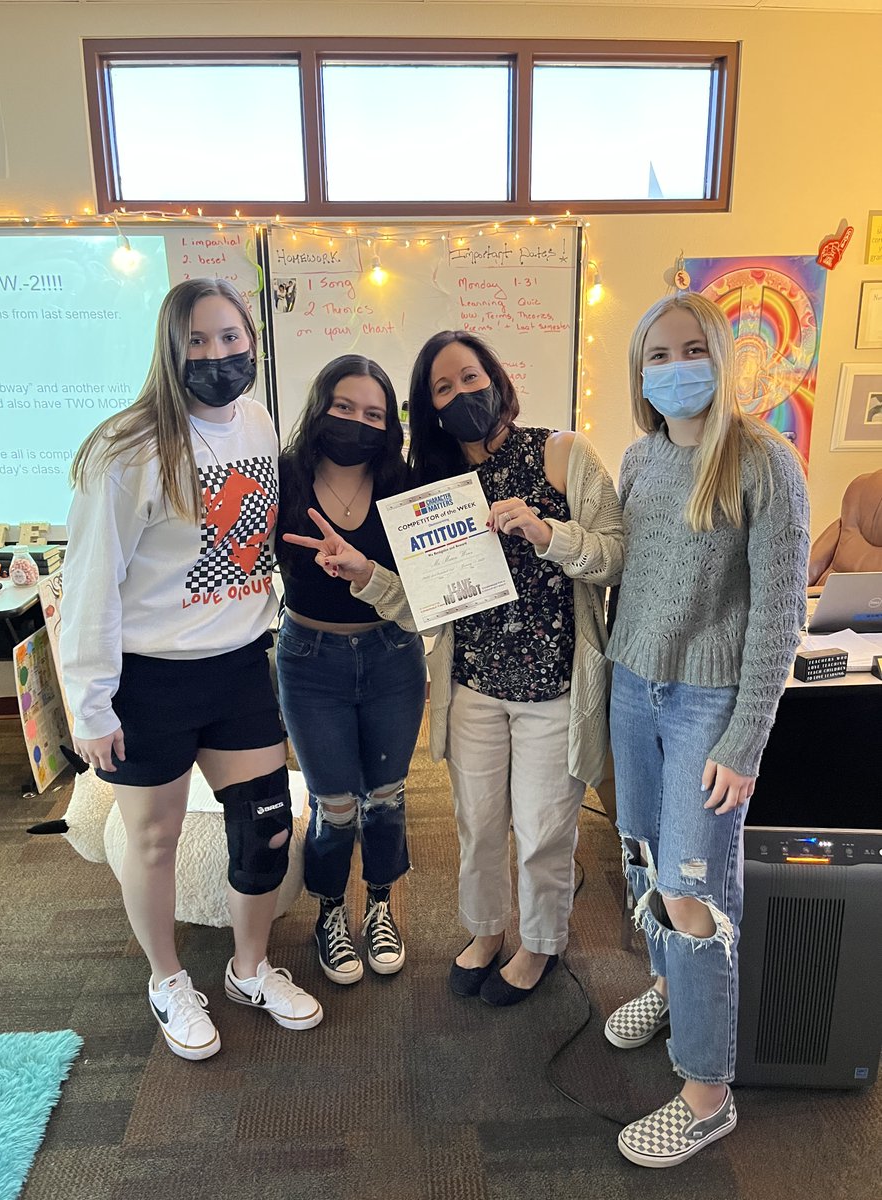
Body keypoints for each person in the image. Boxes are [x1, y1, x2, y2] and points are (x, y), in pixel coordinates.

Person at [287, 331, 623, 1005]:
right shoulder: (436, 487)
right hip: (470, 686)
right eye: (443, 389)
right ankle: (486, 932)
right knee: (476, 824)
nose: (463, 395)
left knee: (541, 829)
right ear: (429, 409)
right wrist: (366, 576)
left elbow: (616, 555)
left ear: (496, 377)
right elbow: (421, 607)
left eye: (470, 377)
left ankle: (541, 944)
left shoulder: (562, 453)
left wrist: (544, 531)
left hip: (554, 689)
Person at [61, 278, 322, 1062]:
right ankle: (168, 978)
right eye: (198, 343)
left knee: (267, 828)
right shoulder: (126, 449)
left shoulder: (257, 423)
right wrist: (91, 704)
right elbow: (89, 581)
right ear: (172, 351)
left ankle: (249, 967)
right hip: (150, 677)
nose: (218, 356)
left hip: (240, 664)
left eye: (231, 340)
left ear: (253, 343)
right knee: (153, 840)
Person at [603, 292, 809, 1167]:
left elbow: (777, 615)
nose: (674, 366)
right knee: (645, 859)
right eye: (658, 354)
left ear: (721, 358)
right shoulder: (640, 460)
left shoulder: (766, 462)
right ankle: (667, 989)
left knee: (694, 892)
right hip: (631, 690)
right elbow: (621, 567)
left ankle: (705, 1092)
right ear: (641, 372)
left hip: (707, 705)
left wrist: (745, 739)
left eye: (692, 348)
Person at [277, 355, 426, 985]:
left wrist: (366, 573)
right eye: (345, 408)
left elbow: (427, 597)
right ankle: (332, 910)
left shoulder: (406, 483)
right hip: (309, 662)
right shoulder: (283, 476)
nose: (359, 423)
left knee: (386, 797)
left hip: (392, 654)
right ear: (321, 407)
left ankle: (382, 904)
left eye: (374, 414)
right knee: (334, 802)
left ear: (391, 424)